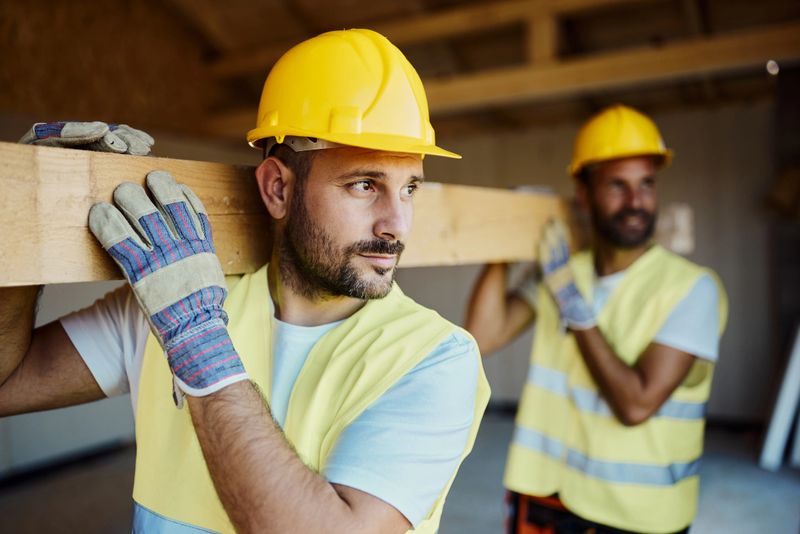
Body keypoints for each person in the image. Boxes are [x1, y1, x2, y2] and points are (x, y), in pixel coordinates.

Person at [0, 29, 490, 534]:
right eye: (364, 185)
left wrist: (198, 345)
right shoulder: (166, 303)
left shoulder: (434, 358)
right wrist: (20, 225)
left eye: (409, 188)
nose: (397, 224)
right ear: (278, 188)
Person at [465, 105, 727, 534]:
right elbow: (483, 334)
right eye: (617, 186)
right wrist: (505, 238)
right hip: (547, 496)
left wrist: (571, 301)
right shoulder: (564, 269)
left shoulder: (693, 289)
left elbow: (636, 404)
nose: (635, 202)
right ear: (584, 194)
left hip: (635, 517)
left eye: (646, 184)